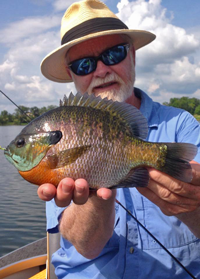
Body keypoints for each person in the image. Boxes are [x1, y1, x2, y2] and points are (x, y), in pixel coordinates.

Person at [39, 0, 200, 278]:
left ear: (133, 56)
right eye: (84, 64)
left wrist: (193, 204)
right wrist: (97, 192)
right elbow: (85, 247)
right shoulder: (58, 133)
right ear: (71, 75)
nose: (101, 71)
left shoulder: (181, 125)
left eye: (114, 54)